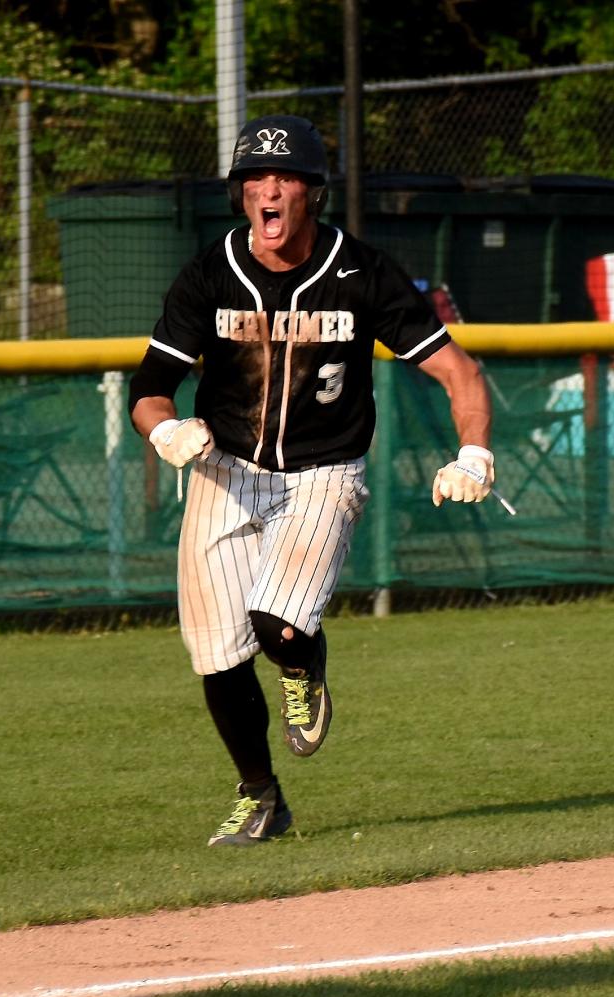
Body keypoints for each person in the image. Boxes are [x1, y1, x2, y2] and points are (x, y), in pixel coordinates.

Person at [128, 114, 494, 847]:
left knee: (279, 624)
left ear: (313, 192)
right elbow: (151, 384)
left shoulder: (360, 272)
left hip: (323, 472)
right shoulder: (211, 272)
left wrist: (475, 451)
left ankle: (306, 664)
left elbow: (458, 369)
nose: (267, 191)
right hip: (223, 470)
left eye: (284, 178)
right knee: (217, 653)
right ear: (239, 195)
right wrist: (164, 429)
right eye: (253, 180)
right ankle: (260, 795)